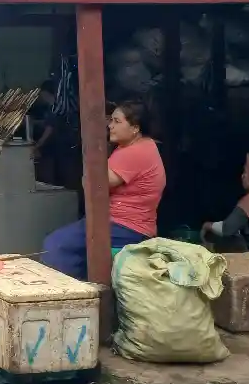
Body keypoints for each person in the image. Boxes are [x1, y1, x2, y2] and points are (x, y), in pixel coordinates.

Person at [42, 100, 165, 281]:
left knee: (56, 246)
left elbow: (94, 187)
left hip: (125, 226)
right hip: (127, 223)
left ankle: (76, 297)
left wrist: (95, 148)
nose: (110, 126)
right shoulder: (143, 145)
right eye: (111, 121)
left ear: (135, 128)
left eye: (116, 121)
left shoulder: (134, 152)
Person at [29, 81, 59, 184]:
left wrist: (38, 145)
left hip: (55, 147)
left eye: (42, 94)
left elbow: (50, 128)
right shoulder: (52, 107)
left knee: (50, 172)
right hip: (54, 146)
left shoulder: (56, 107)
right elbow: (47, 123)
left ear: (46, 93)